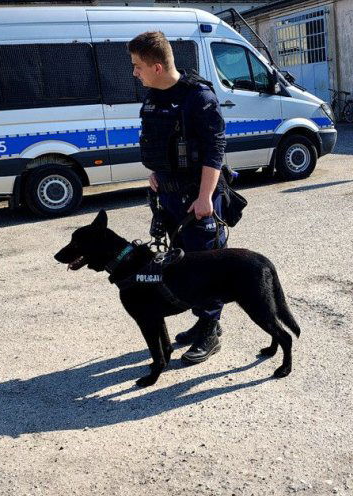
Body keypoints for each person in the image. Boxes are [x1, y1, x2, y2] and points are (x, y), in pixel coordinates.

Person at [129, 31, 228, 364]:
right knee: (182, 265)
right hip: (168, 198)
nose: (134, 73)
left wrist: (205, 198)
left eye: (137, 66)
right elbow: (161, 143)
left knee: (206, 265)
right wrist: (156, 172)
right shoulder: (154, 96)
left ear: (157, 66)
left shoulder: (197, 98)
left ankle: (211, 329)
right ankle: (202, 319)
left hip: (195, 200)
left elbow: (215, 150)